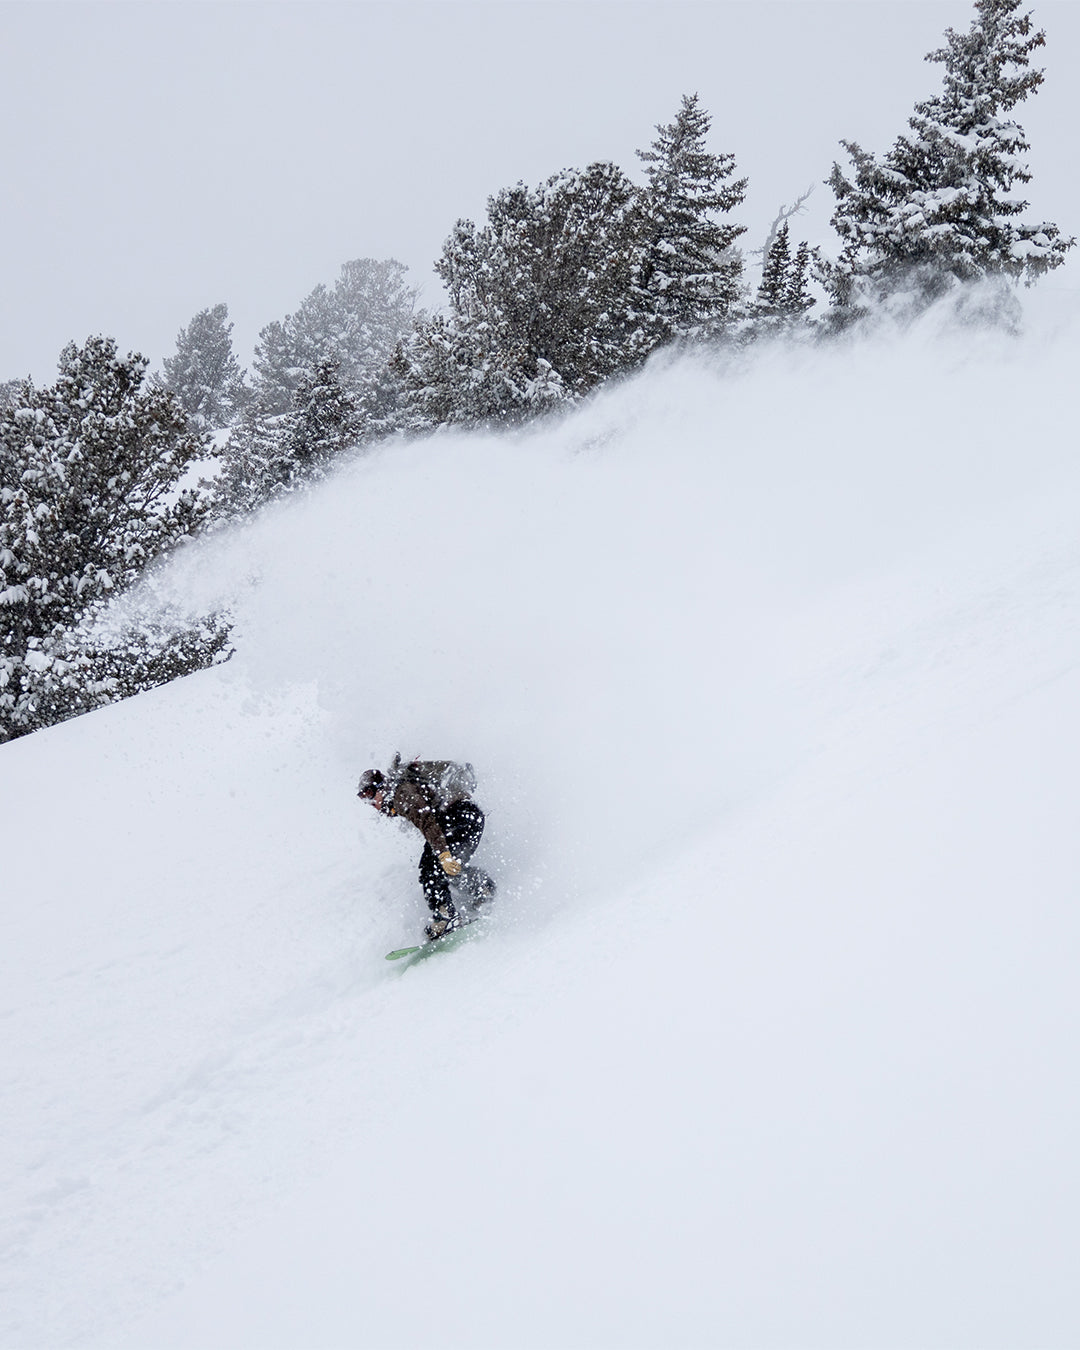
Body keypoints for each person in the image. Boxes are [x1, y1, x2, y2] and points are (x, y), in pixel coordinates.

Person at [358, 757, 496, 940]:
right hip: (467, 818)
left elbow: (428, 822)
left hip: (458, 818)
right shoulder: (402, 791)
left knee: (432, 869)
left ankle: (446, 918)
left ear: (381, 787)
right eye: (365, 799)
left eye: (370, 795)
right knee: (443, 868)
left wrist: (444, 854)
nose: (372, 804)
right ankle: (481, 888)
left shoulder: (401, 794)